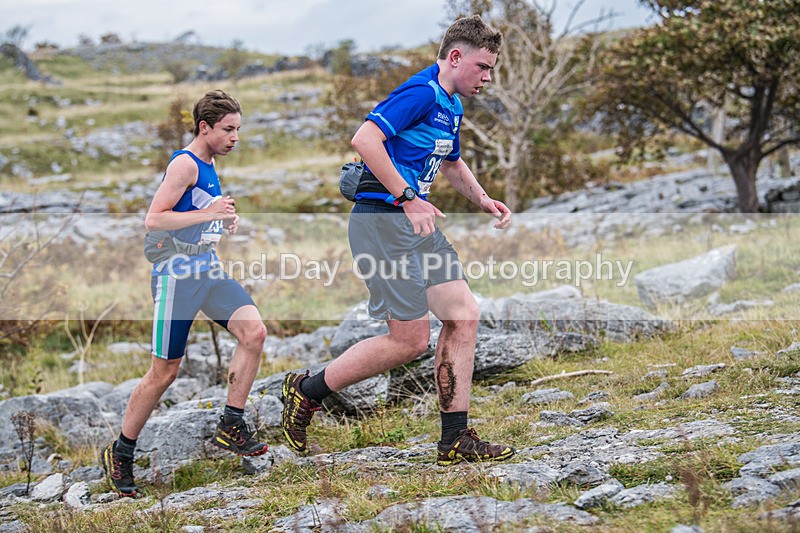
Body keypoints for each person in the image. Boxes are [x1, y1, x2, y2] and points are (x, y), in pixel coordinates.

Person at [281, 15, 515, 466]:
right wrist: (408, 197)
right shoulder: (420, 92)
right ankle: (306, 390)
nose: (488, 77)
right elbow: (365, 139)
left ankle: (455, 439)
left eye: (491, 69)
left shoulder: (452, 104)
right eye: (483, 67)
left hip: (416, 226)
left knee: (463, 315)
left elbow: (451, 163)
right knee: (409, 341)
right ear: (455, 57)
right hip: (382, 224)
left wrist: (483, 199)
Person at [101, 90, 269, 497]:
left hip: (207, 269)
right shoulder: (185, 163)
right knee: (165, 372)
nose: (235, 137)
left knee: (254, 333)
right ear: (204, 127)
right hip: (176, 277)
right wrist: (208, 213)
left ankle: (231, 423)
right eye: (228, 129)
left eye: (238, 129)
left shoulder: (209, 163)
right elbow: (154, 219)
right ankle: (121, 451)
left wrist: (220, 221)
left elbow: (194, 214)